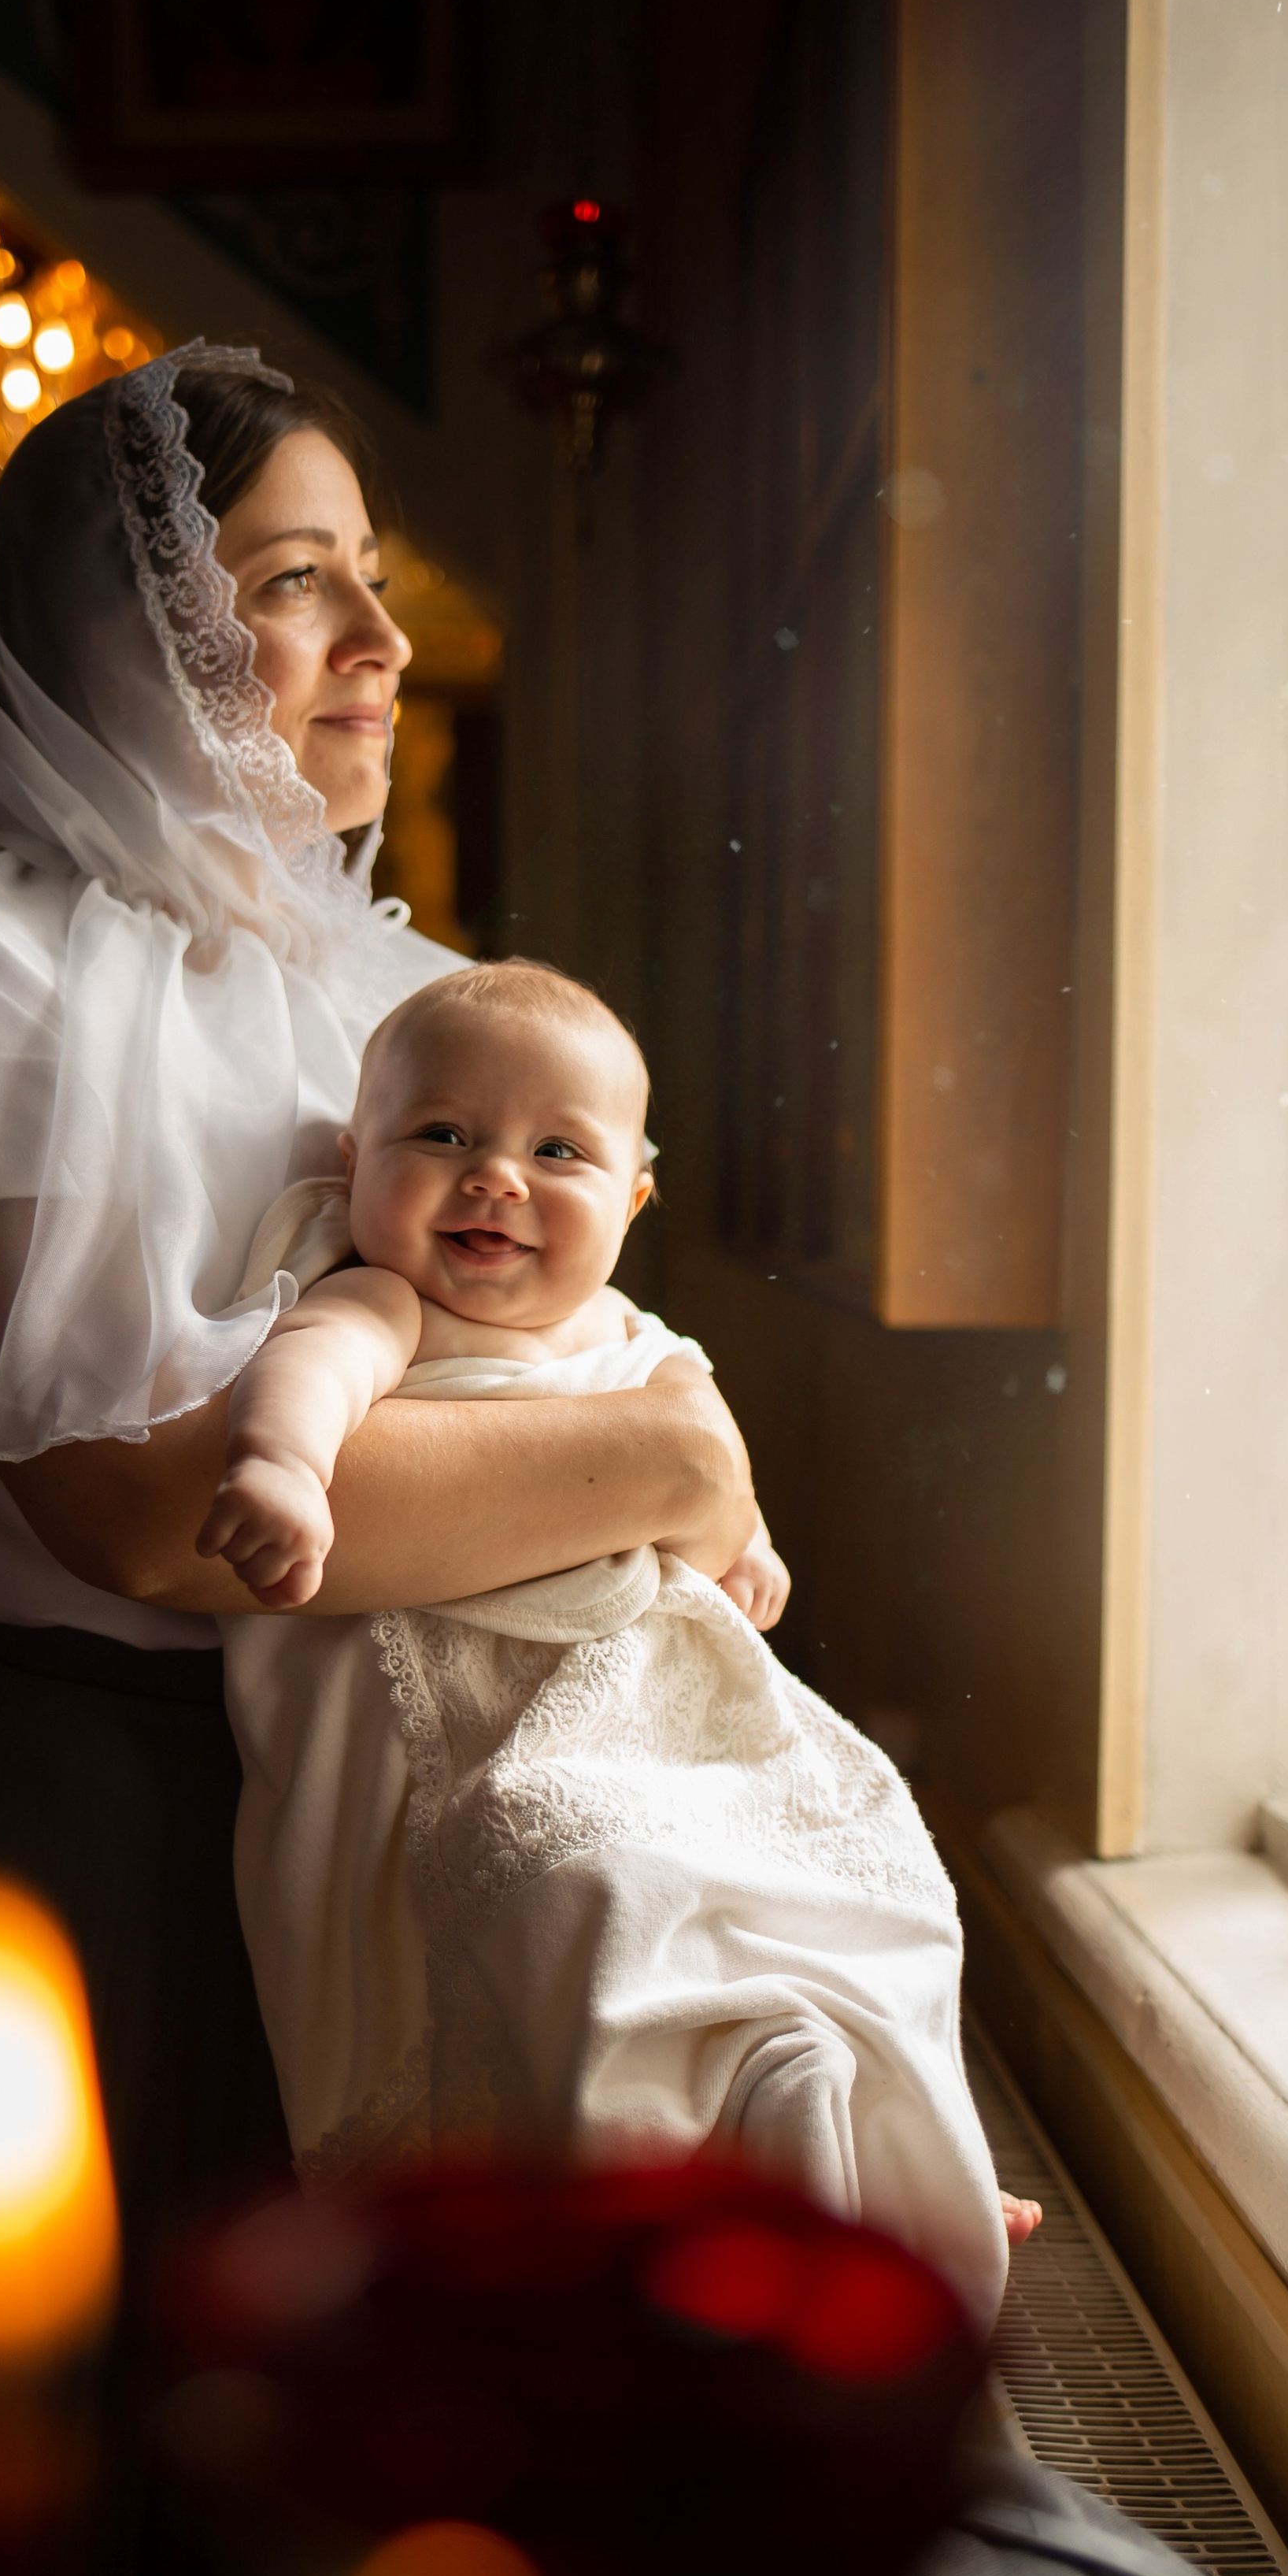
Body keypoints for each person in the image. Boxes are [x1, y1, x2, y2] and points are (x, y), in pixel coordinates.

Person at [0, 341, 767, 2576]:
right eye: (302, 594)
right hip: (107, 1826)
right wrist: (683, 1465)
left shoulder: (403, 991)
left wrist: (642, 1466)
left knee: (370, 2533)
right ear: (134, 644)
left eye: (376, 589)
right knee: (63, 2501)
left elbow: (533, 1360)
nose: (386, 653)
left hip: (409, 1804)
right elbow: (147, 1519)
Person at [205, 958, 1027, 2330]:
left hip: (647, 1699)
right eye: (444, 1137)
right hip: (480, 1709)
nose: (496, 1179)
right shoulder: (387, 1307)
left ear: (634, 1200)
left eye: (557, 1151)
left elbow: (719, 1495)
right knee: (592, 1884)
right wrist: (283, 1469)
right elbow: (311, 1376)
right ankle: (675, 2213)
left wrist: (745, 1544)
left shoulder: (643, 1344)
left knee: (876, 1862)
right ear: (357, 1163)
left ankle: (903, 2145)